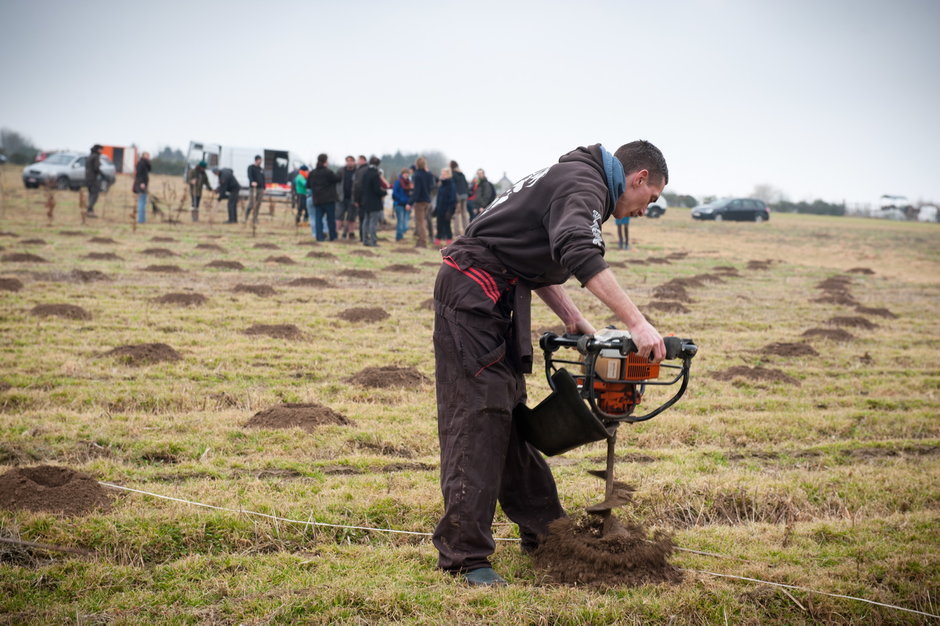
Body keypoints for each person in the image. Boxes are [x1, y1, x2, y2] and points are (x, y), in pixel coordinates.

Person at [432, 141, 668, 586]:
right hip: (473, 296)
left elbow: (534, 258)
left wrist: (574, 318)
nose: (643, 211)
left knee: (508, 419)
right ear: (638, 179)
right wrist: (638, 324)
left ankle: (546, 533)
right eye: (649, 200)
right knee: (479, 419)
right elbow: (578, 252)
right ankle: (465, 558)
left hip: (495, 297)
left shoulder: (575, 180)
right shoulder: (584, 185)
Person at [308, 153, 342, 242]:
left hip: (317, 199)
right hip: (329, 199)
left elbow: (308, 185)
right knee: (330, 219)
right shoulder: (328, 172)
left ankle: (319, 237)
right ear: (325, 161)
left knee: (318, 219)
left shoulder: (313, 172)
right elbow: (337, 179)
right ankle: (332, 236)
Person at [359, 156, 386, 247]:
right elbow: (376, 190)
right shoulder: (375, 174)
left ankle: (365, 240)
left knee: (365, 221)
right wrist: (384, 192)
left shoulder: (365, 173)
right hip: (374, 202)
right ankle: (373, 241)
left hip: (365, 201)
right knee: (373, 223)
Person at [411, 156, 434, 248]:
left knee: (420, 222)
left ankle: (422, 241)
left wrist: (410, 202)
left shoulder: (416, 175)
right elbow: (432, 186)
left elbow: (417, 190)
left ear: (416, 164)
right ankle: (428, 238)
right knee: (425, 220)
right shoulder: (429, 174)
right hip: (427, 200)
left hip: (419, 201)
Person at [434, 167, 457, 247]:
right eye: (442, 174)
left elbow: (453, 199)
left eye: (444, 174)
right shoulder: (441, 185)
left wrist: (450, 211)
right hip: (440, 209)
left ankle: (449, 242)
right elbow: (438, 198)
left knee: (447, 226)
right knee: (439, 225)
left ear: (448, 175)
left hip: (447, 210)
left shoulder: (451, 185)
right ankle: (437, 242)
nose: (442, 175)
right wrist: (436, 208)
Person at [337, 155, 358, 239]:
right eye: (348, 161)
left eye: (351, 161)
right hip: (341, 197)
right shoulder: (340, 171)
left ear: (354, 162)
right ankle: (336, 233)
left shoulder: (357, 171)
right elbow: (336, 183)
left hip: (352, 198)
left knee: (351, 217)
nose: (349, 162)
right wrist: (338, 194)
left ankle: (351, 233)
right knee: (339, 216)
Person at [392, 169, 413, 242]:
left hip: (408, 205)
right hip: (399, 204)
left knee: (406, 223)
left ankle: (401, 234)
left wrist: (410, 203)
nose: (406, 175)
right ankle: (399, 237)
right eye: (405, 173)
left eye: (407, 174)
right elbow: (395, 193)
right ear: (402, 174)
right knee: (400, 221)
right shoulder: (398, 182)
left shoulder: (410, 183)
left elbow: (412, 194)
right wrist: (401, 200)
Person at [351, 155, 368, 241]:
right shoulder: (367, 169)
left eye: (358, 160)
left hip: (361, 199)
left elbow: (357, 186)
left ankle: (363, 237)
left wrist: (356, 199)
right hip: (368, 198)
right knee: (367, 218)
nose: (357, 161)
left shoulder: (360, 171)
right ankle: (366, 236)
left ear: (362, 160)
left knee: (362, 218)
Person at [450, 161, 470, 236]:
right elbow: (466, 185)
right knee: (464, 214)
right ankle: (467, 231)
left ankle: (456, 232)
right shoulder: (462, 174)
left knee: (456, 214)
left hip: (457, 196)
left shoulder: (453, 174)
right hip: (464, 195)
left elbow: (453, 187)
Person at [132, 152, 151, 224]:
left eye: (148, 155)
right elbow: (138, 174)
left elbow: (148, 171)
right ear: (143, 156)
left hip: (143, 184)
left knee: (143, 202)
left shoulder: (145, 164)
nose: (148, 157)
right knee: (142, 202)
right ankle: (141, 220)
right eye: (146, 155)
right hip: (141, 185)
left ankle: (142, 219)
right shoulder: (141, 163)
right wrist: (141, 183)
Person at [85, 144, 103, 215]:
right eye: (101, 149)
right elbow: (96, 168)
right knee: (94, 194)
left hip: (87, 178)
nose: (101, 151)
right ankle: (90, 209)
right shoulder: (96, 156)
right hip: (93, 179)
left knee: (91, 194)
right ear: (98, 149)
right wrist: (103, 175)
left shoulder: (90, 156)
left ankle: (90, 210)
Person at [246, 155, 266, 223]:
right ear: (257, 160)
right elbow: (249, 175)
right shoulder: (251, 167)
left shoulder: (261, 169)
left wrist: (264, 188)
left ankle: (255, 219)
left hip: (260, 189)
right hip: (253, 188)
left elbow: (263, 179)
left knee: (258, 204)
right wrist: (252, 182)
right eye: (260, 160)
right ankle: (245, 217)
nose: (261, 161)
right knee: (251, 204)